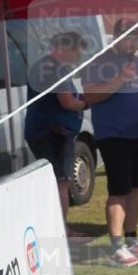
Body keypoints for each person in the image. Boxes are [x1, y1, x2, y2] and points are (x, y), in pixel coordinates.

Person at [82, 20, 138, 266]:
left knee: (136, 188)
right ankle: (116, 248)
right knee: (119, 191)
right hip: (114, 135)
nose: (134, 44)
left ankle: (132, 240)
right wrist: (120, 79)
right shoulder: (100, 62)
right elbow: (90, 95)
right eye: (131, 38)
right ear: (116, 36)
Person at [25, 31, 89, 236]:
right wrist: (87, 103)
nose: (76, 58)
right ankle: (62, 230)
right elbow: (68, 102)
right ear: (65, 48)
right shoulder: (57, 69)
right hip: (55, 134)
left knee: (54, 180)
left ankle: (54, 226)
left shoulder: (40, 66)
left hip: (41, 130)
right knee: (62, 181)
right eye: (76, 53)